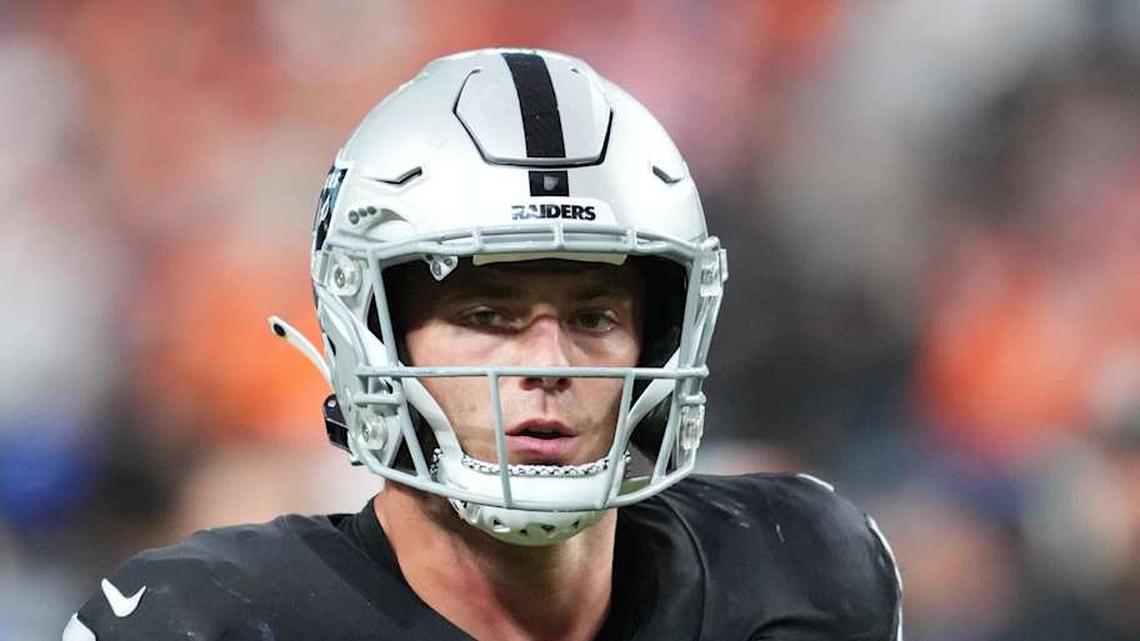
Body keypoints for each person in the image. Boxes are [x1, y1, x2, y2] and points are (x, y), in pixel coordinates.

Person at [65, 48, 902, 641]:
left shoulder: (805, 580)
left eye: (593, 318)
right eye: (489, 316)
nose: (549, 364)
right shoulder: (205, 620)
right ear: (376, 337)